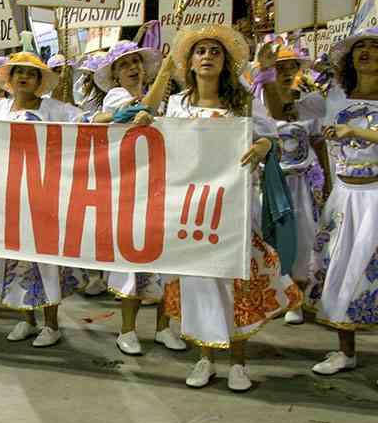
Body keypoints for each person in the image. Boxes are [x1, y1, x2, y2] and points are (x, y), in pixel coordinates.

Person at [139, 26, 300, 391]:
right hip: (189, 209)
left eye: (215, 51)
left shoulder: (243, 102)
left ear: (225, 61)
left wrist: (263, 147)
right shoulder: (176, 105)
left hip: (233, 208)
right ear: (190, 62)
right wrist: (159, 83)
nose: (208, 56)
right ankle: (205, 358)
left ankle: (238, 364)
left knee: (233, 283)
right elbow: (149, 124)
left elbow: (270, 138)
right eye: (201, 51)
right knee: (198, 283)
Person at [0, 53, 85, 346]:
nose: (24, 77)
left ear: (39, 81)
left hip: (44, 198)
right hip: (9, 199)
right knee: (15, 260)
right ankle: (27, 320)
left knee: (46, 261)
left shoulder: (55, 109)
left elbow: (89, 123)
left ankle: (52, 325)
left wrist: (125, 117)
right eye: (19, 72)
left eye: (31, 74)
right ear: (9, 78)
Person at [89, 41, 187, 355]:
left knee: (167, 262)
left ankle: (163, 328)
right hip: (131, 191)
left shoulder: (168, 98)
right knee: (131, 262)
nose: (132, 68)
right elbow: (142, 110)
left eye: (136, 62)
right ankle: (127, 331)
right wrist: (166, 72)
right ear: (115, 76)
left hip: (164, 186)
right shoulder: (117, 97)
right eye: (124, 65)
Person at [305, 28, 378, 378]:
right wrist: (272, 76)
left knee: (370, 272)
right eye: (359, 46)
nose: (366, 51)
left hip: (376, 196)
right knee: (339, 268)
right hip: (344, 196)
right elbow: (284, 111)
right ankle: (345, 352)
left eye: (374, 47)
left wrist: (356, 131)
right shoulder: (334, 98)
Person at [250, 46, 331, 325]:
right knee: (269, 237)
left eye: (291, 67)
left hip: (302, 184)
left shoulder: (311, 103)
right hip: (269, 183)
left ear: (299, 70)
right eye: (280, 67)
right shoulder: (258, 103)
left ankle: (297, 297)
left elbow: (319, 144)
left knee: (304, 237)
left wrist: (327, 179)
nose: (286, 72)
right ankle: (274, 294)